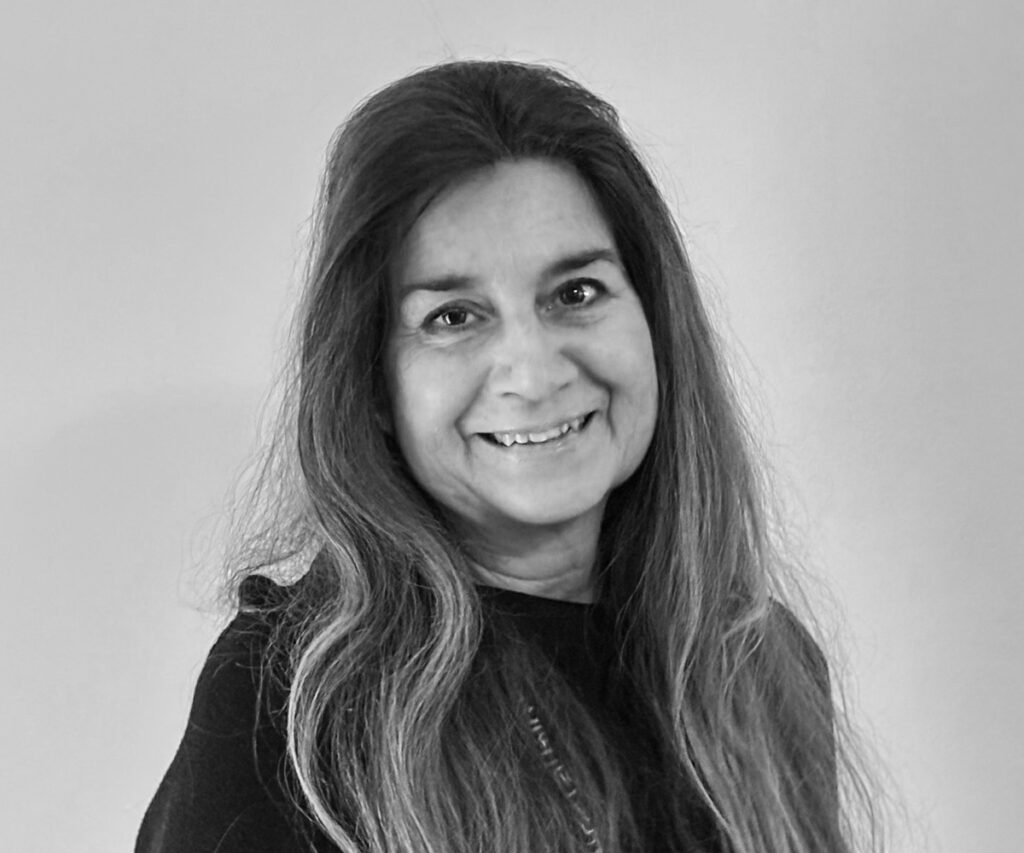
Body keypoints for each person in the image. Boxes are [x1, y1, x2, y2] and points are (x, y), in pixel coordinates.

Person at [137, 60, 881, 853]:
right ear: (373, 385)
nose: (533, 372)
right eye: (454, 317)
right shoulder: (290, 700)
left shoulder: (761, 662)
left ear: (656, 320)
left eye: (576, 293)